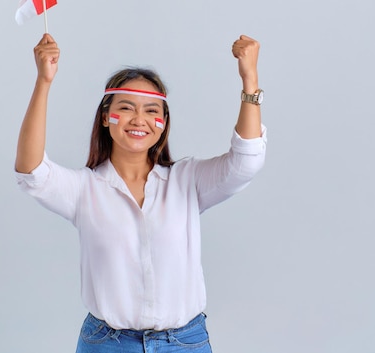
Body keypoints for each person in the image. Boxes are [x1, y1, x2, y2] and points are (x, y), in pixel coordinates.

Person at [15, 33, 267, 352]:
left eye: (151, 111)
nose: (139, 120)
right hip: (108, 344)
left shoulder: (186, 181)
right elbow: (31, 171)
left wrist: (250, 80)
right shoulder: (84, 189)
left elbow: (246, 162)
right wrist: (44, 82)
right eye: (127, 108)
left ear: (163, 122)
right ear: (106, 117)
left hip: (184, 343)